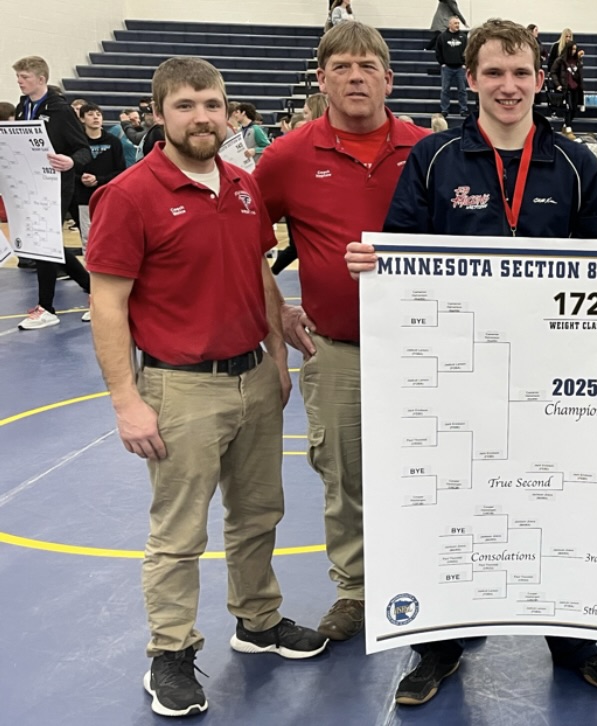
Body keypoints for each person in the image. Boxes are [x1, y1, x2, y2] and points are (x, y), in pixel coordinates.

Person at [343, 18, 597, 706]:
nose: (509, 86)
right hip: (456, 375)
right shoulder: (435, 158)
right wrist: (374, 262)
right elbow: (400, 249)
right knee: (451, 502)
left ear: (539, 79)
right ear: (471, 77)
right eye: (495, 73)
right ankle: (439, 645)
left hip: (552, 376)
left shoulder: (575, 162)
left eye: (521, 72)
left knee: (560, 499)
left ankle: (572, 640)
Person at [84, 56, 328, 719]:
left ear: (228, 112)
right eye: (186, 105)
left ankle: (258, 620)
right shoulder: (129, 195)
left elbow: (257, 271)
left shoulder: (242, 185)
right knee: (179, 532)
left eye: (213, 105)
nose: (202, 117)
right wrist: (126, 402)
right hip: (180, 388)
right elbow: (107, 305)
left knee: (259, 513)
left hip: (253, 377)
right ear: (159, 113)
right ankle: (170, 650)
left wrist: (276, 352)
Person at [255, 22, 430, 644]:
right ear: (322, 79)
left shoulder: (430, 150)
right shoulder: (287, 156)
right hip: (338, 349)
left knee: (435, 469)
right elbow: (242, 237)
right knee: (344, 474)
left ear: (389, 78)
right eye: (342, 67)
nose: (356, 78)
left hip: (427, 350)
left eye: (367, 66)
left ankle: (438, 581)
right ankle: (355, 589)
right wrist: (278, 309)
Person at [11, 55, 92, 330]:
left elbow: (83, 149)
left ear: (41, 79)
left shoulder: (61, 110)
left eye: (24, 77)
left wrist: (71, 162)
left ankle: (46, 307)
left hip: (56, 184)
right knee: (49, 244)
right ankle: (95, 290)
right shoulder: (22, 107)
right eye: (18, 77)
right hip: (29, 184)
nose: (19, 81)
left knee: (43, 242)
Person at [74, 102, 127, 256]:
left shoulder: (113, 142)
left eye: (98, 114)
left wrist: (99, 179)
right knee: (88, 237)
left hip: (107, 195)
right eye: (90, 114)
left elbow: (121, 171)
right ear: (82, 119)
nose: (95, 117)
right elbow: (69, 169)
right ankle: (89, 268)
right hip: (84, 197)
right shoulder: (77, 143)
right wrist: (81, 179)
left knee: (110, 235)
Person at [435, 16, 469, 115]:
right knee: (445, 90)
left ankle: (463, 109)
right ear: (449, 24)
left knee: (462, 90)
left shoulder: (463, 37)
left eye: (458, 23)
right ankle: (444, 110)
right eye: (455, 23)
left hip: (460, 68)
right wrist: (442, 63)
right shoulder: (442, 37)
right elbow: (438, 51)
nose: (457, 25)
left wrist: (465, 63)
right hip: (447, 68)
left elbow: (468, 51)